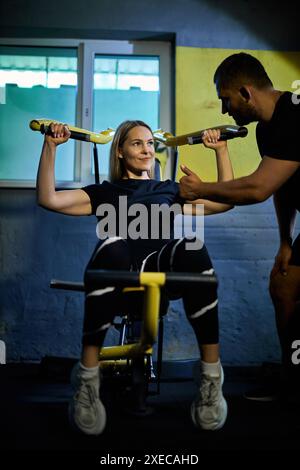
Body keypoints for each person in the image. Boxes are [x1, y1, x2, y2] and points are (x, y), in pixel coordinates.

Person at [36, 119, 234, 435]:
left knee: (193, 247)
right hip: (118, 274)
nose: (146, 149)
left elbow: (225, 201)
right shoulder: (104, 192)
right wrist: (50, 146)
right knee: (113, 244)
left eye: (150, 143)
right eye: (137, 143)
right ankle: (88, 380)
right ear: (120, 152)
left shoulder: (169, 189)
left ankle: (211, 378)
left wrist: (221, 151)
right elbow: (49, 199)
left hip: (158, 269)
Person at [179, 52, 300, 401]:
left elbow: (257, 188)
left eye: (226, 100)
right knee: (284, 286)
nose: (224, 110)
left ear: (246, 93)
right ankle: (290, 382)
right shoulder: (267, 130)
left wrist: (201, 189)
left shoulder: (294, 113)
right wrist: (285, 241)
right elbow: (280, 188)